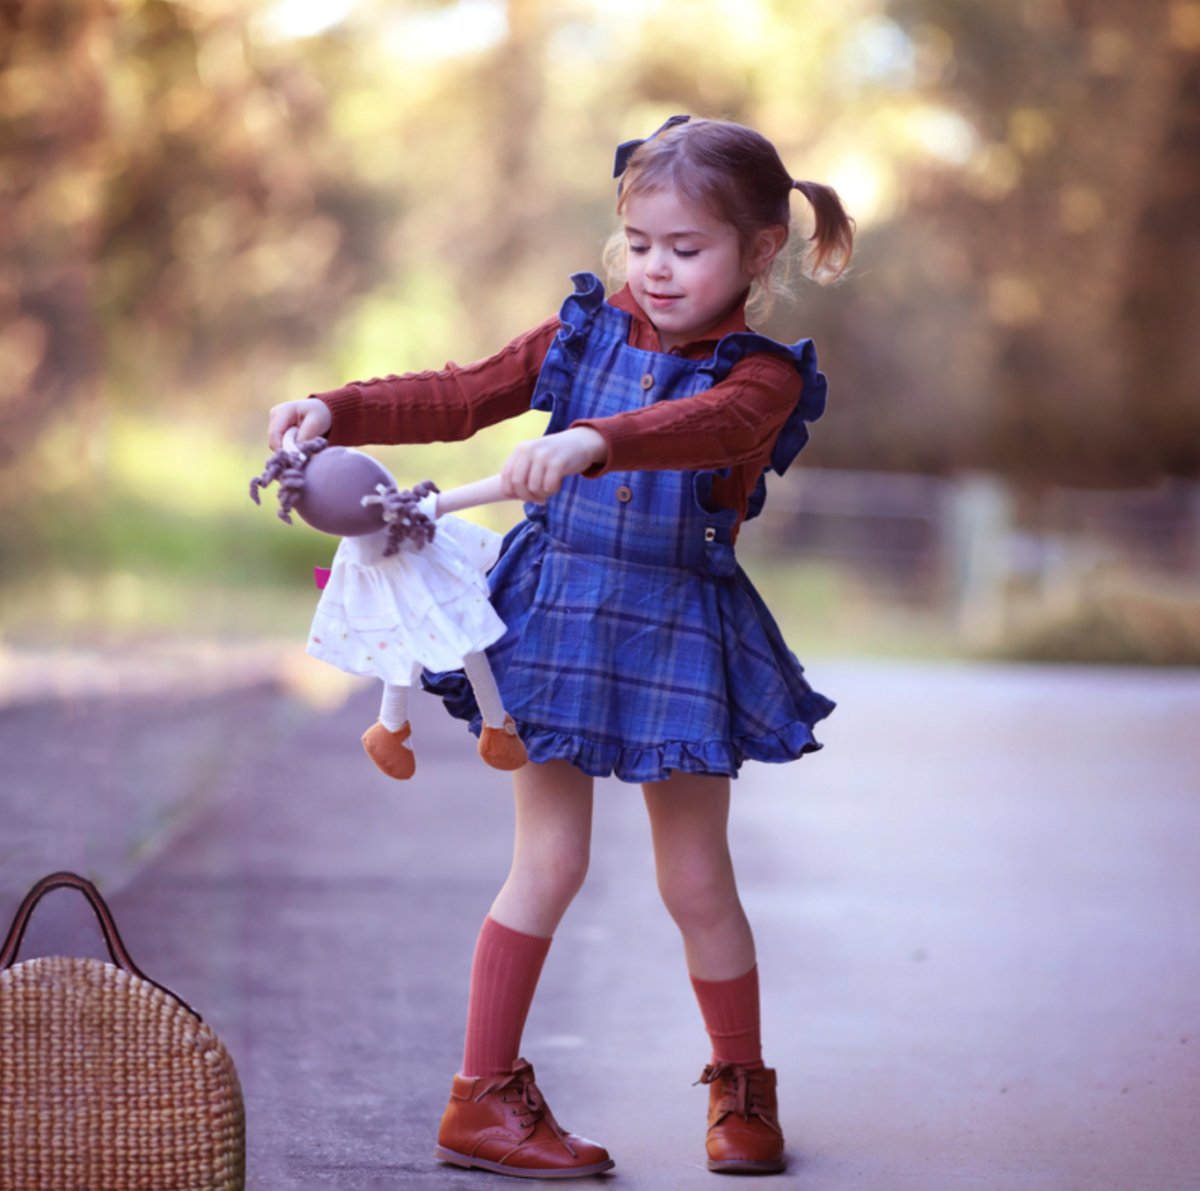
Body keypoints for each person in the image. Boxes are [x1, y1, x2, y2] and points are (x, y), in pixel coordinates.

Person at [267, 114, 854, 1179]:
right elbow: (460, 395)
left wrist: (598, 437)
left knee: (696, 880)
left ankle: (740, 1092)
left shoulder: (761, 375)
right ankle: (480, 1098)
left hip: (677, 624)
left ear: (759, 251)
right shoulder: (584, 332)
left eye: (689, 248)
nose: (658, 269)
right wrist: (333, 406)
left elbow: (712, 425)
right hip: (555, 617)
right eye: (641, 244)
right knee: (548, 860)